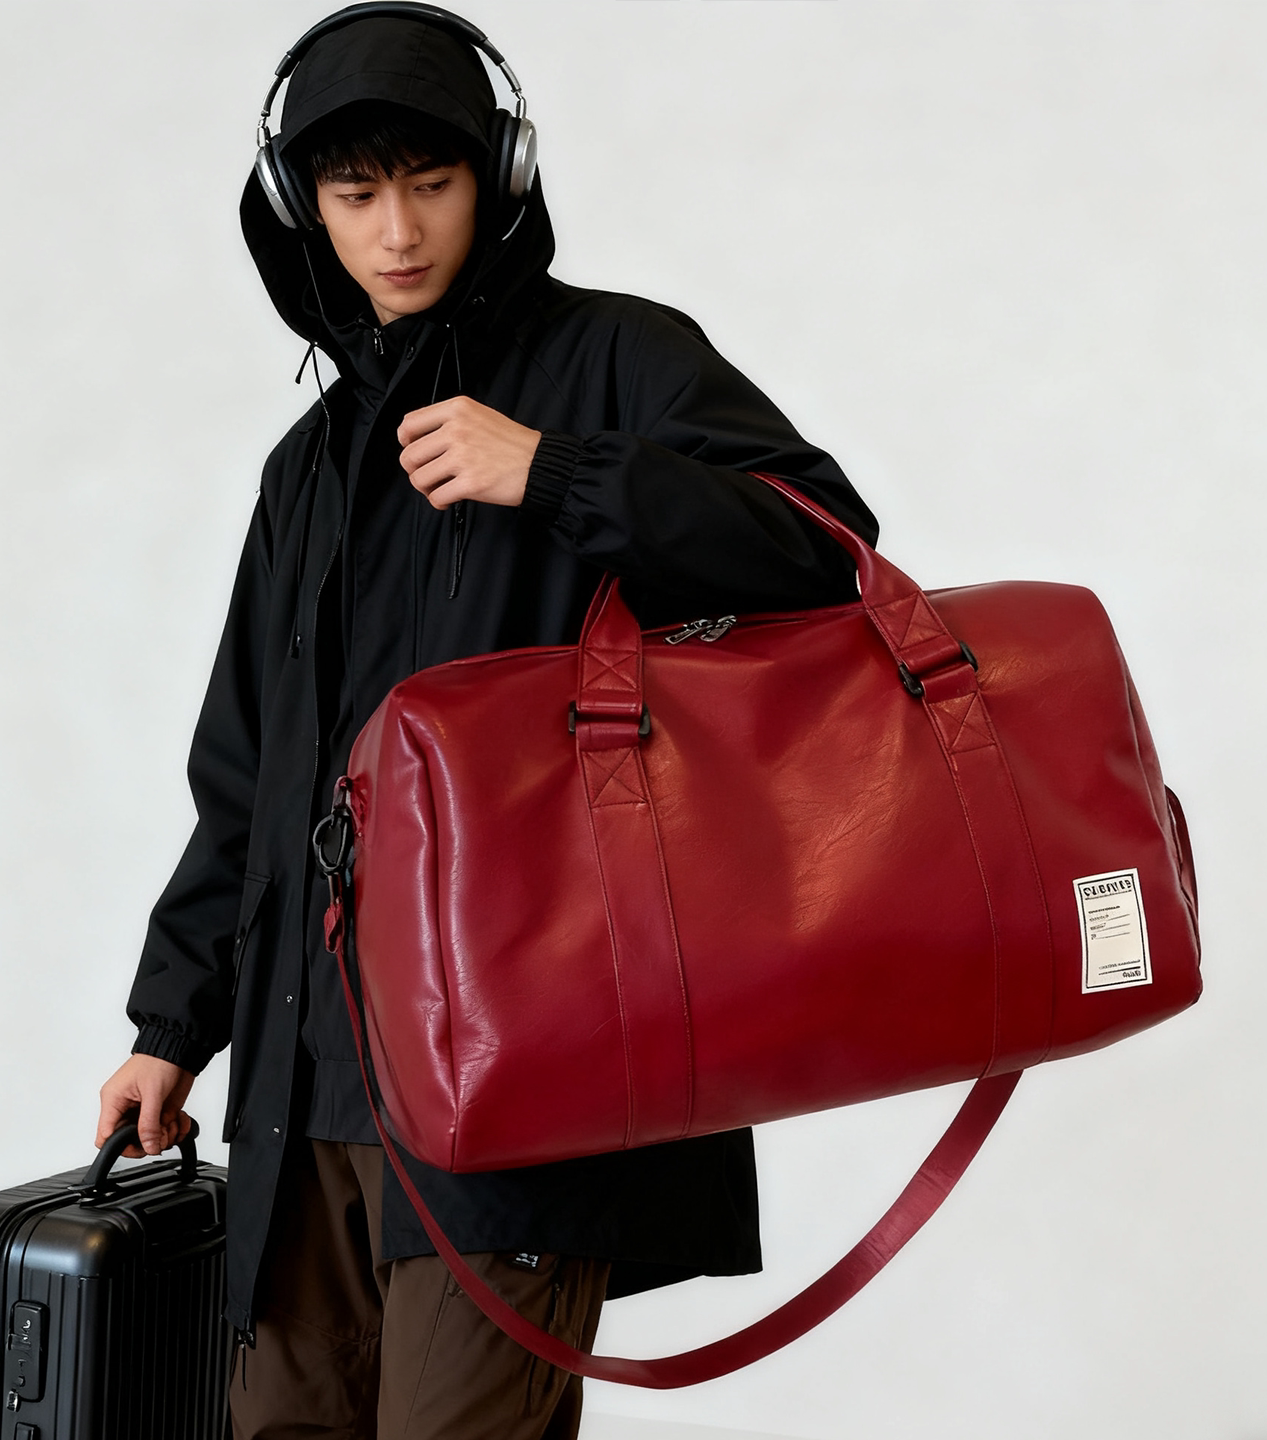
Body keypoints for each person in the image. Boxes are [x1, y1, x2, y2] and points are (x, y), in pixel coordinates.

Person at [94, 6, 877, 1437]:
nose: (397, 232)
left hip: (514, 1073)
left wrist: (561, 474)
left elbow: (823, 545)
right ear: (301, 208)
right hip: (301, 1084)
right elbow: (250, 780)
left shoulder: (616, 361)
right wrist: (171, 1025)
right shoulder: (307, 468)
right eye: (355, 195)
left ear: (498, 177)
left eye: (432, 183)